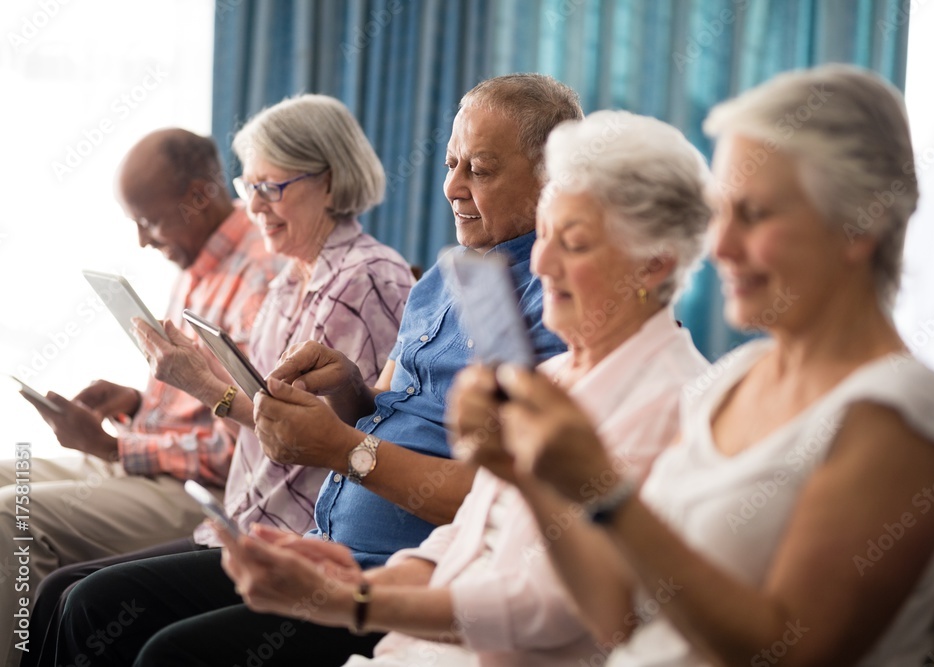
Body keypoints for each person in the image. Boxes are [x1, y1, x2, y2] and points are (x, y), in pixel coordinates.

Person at [461, 65, 934, 666]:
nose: (719, 247)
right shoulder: (731, 380)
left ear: (860, 225)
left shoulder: (901, 415)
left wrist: (607, 491)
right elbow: (618, 618)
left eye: (757, 214)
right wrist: (532, 477)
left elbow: (789, 650)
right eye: (723, 213)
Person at [58, 74, 580, 666]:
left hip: (390, 573)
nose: (452, 186)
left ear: (552, 176)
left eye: (479, 170)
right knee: (88, 603)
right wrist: (349, 388)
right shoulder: (443, 278)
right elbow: (383, 408)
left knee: (163, 649)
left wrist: (339, 449)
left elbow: (500, 500)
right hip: (322, 542)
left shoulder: (557, 303)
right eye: (450, 162)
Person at [214, 110, 715, 666]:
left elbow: (560, 612)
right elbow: (471, 527)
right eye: (545, 235)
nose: (541, 262)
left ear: (652, 267)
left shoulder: (673, 403)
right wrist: (371, 578)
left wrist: (353, 601)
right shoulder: (551, 377)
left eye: (571, 243)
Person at [28, 94, 412, 667]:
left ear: (330, 184)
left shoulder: (369, 278)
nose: (253, 207)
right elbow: (259, 416)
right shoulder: (289, 280)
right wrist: (177, 388)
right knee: (64, 594)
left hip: (299, 534)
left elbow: (333, 441)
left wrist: (203, 387)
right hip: (244, 518)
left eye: (271, 188)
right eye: (248, 185)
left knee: (87, 602)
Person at [0, 128, 283, 667]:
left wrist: (112, 451)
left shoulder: (260, 279)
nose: (142, 241)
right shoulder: (200, 261)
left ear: (201, 196)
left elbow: (252, 441)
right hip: (150, 456)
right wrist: (135, 403)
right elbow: (201, 398)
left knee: (11, 517)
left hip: (199, 488)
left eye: (149, 221)